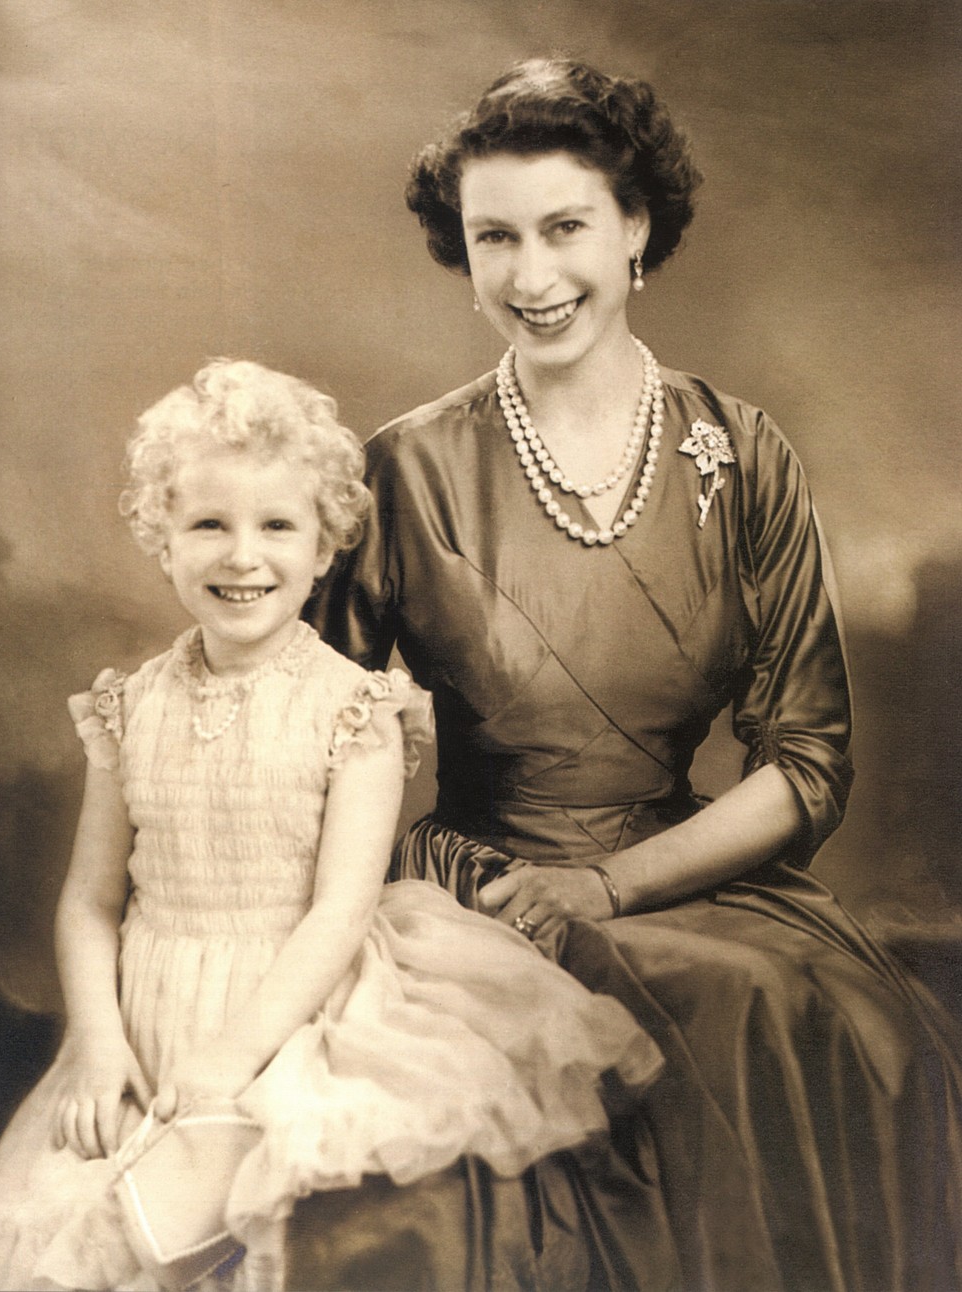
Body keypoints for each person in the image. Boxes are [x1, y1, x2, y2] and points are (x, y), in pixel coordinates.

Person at [310, 58, 962, 1291]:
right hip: (482, 891)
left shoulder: (744, 449)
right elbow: (302, 722)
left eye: (565, 228)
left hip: (684, 874)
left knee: (847, 1035)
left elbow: (810, 762)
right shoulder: (402, 469)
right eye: (493, 236)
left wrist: (608, 887)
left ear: (637, 226)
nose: (531, 276)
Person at [0, 359, 668, 1292]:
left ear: (322, 544)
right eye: (208, 525)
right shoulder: (128, 707)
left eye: (276, 526)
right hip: (145, 1015)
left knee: (282, 1239)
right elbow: (91, 901)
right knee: (87, 1241)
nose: (242, 557)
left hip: (297, 1010)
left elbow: (340, 913)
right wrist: (100, 1046)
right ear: (162, 537)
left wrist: (234, 1058)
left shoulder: (357, 710)